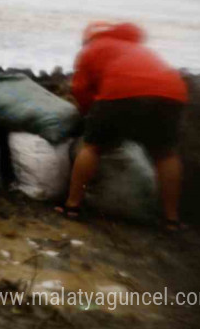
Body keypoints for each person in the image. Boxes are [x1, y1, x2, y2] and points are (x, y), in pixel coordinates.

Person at [57, 22, 188, 231]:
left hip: (121, 91)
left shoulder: (92, 48)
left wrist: (88, 116)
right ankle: (171, 220)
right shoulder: (138, 48)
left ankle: (72, 206)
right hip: (172, 93)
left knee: (92, 147)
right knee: (166, 154)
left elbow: (80, 89)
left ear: (88, 39)